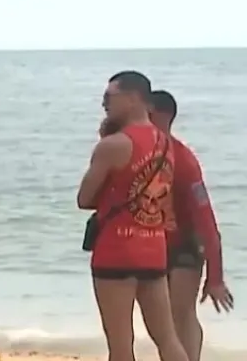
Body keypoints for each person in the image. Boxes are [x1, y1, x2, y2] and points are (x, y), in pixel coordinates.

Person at [77, 71, 188, 361]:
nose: (104, 104)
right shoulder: (166, 144)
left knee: (121, 345)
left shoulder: (112, 145)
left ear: (132, 98)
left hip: (116, 250)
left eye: (109, 97)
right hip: (154, 247)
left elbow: (84, 198)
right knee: (167, 338)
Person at [149, 90, 234, 361]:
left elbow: (206, 219)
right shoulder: (136, 154)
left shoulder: (183, 160)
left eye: (146, 115)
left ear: (161, 116)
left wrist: (216, 276)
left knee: (180, 314)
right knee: (160, 321)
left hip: (183, 247)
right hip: (149, 244)